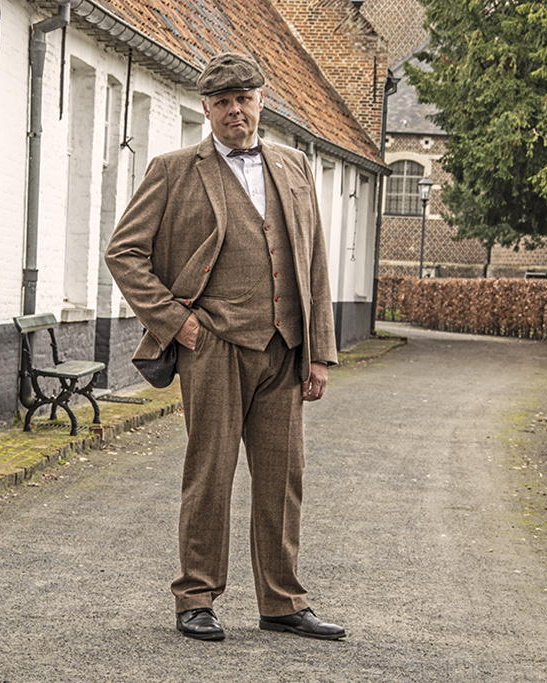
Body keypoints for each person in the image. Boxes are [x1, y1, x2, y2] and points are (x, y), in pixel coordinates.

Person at [105, 53, 345, 642]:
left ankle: (283, 601)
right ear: (206, 109)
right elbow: (124, 252)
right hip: (212, 345)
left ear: (261, 102)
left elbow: (312, 259)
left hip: (284, 347)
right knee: (209, 473)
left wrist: (318, 351)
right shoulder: (174, 169)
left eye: (244, 98)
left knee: (283, 478)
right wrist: (176, 324)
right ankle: (196, 597)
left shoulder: (294, 166)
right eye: (222, 101)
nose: (235, 110)